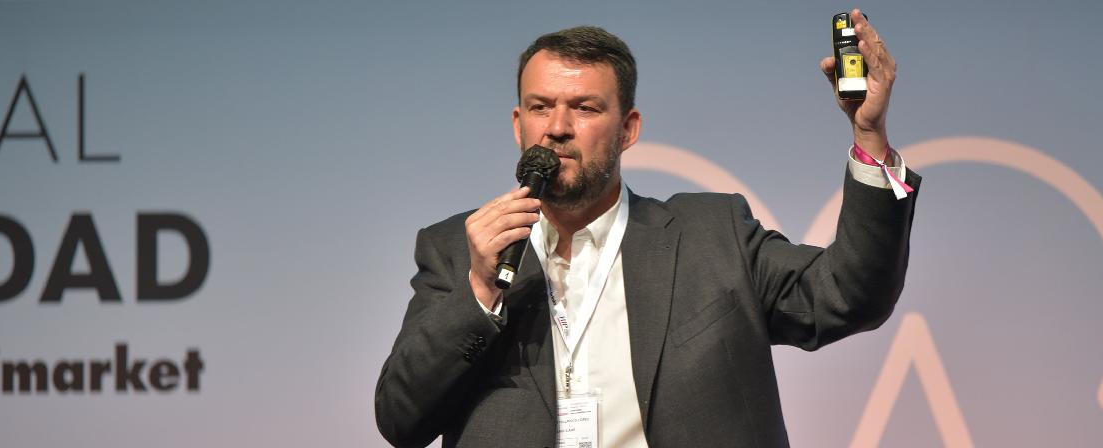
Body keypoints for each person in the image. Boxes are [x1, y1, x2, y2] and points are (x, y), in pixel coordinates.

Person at [376, 10, 919, 448]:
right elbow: (401, 419)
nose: (557, 128)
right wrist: (479, 291)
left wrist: (869, 136)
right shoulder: (457, 250)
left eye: (584, 108)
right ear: (519, 124)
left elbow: (849, 296)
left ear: (628, 129)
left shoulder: (714, 235)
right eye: (540, 107)